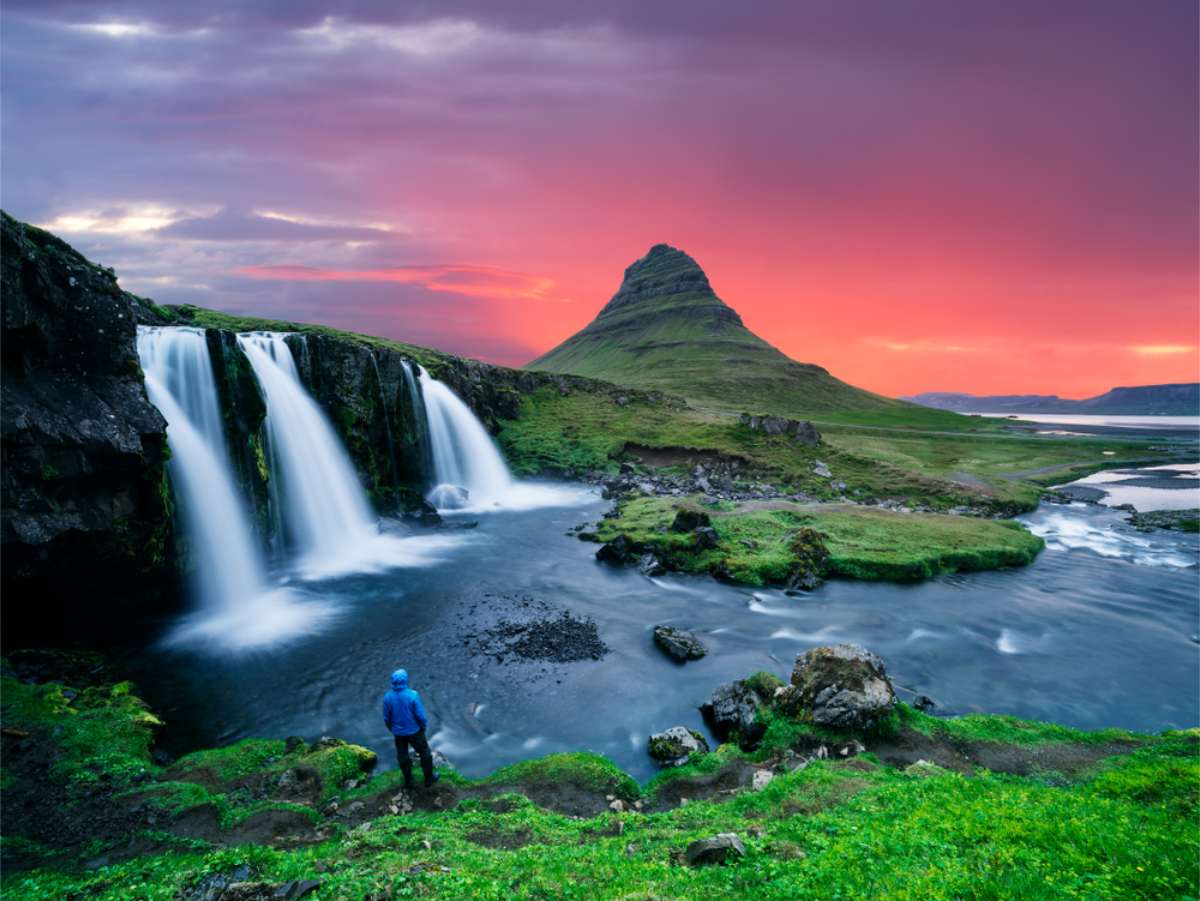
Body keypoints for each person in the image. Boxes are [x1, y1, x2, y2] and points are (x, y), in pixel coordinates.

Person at [382, 668, 439, 789]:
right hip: (414, 731)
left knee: (402, 755)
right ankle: (429, 779)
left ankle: (408, 780)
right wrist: (423, 727)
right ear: (405, 680)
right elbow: (421, 716)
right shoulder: (413, 695)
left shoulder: (387, 697)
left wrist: (393, 730)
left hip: (398, 733)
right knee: (424, 752)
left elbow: (386, 719)